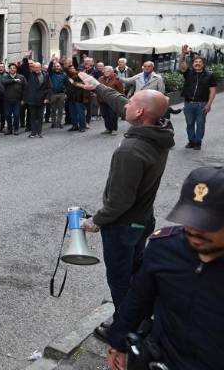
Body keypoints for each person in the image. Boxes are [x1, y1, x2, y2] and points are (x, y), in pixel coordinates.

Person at [77, 72, 174, 343]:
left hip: (122, 227)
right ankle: (140, 317)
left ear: (141, 112)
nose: (126, 104)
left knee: (120, 281)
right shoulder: (161, 128)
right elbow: (123, 103)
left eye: (132, 103)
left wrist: (96, 221)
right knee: (135, 274)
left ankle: (126, 327)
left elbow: (119, 202)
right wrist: (98, 87)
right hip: (143, 220)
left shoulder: (130, 150)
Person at [103, 165, 224, 370]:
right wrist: (118, 342)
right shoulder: (164, 247)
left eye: (207, 223)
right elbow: (138, 299)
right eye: (189, 218)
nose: (193, 229)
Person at [179, 44, 217, 150]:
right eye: (196, 62)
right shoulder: (188, 73)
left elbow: (213, 91)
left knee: (200, 124)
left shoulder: (209, 76)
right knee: (189, 123)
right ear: (193, 64)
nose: (197, 64)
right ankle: (191, 141)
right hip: (188, 104)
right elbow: (181, 65)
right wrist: (183, 53)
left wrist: (209, 105)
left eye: (200, 62)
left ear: (203, 64)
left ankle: (198, 142)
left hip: (202, 104)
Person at [22, 62, 51, 138]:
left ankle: (39, 132)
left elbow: (49, 88)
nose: (36, 69)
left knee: (40, 117)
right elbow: (24, 69)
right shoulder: (30, 75)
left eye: (38, 67)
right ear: (33, 68)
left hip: (42, 99)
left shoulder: (46, 75)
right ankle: (33, 132)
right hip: (32, 99)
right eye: (35, 67)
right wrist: (26, 59)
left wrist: (47, 98)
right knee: (33, 117)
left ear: (40, 67)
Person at [97, 66, 125, 135]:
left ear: (112, 72)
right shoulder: (100, 78)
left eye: (108, 71)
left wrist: (120, 99)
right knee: (105, 115)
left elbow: (121, 90)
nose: (106, 72)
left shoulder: (117, 79)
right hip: (102, 100)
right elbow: (97, 87)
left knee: (113, 115)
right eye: (105, 71)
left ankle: (114, 129)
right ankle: (108, 128)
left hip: (113, 100)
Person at [2, 63, 25, 135]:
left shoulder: (21, 77)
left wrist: (23, 99)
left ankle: (16, 129)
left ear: (16, 69)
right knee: (8, 115)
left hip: (17, 100)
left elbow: (25, 89)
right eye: (11, 68)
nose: (12, 69)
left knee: (16, 115)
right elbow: (3, 82)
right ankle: (9, 129)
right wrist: (14, 80)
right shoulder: (5, 77)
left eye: (14, 68)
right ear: (9, 69)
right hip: (7, 100)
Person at [47, 61, 68, 129]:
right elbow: (49, 69)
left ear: (60, 67)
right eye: (55, 66)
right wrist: (51, 62)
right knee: (53, 110)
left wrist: (66, 93)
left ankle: (59, 123)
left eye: (58, 66)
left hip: (61, 94)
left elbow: (66, 85)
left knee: (60, 110)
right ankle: (53, 123)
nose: (57, 67)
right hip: (53, 94)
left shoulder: (64, 75)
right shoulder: (51, 74)